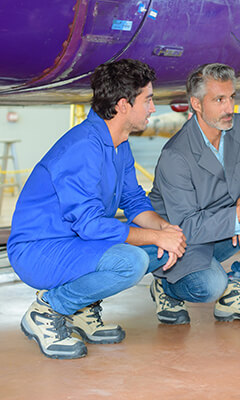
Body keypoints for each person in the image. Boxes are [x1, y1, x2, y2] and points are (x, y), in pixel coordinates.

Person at [7, 59, 187, 359]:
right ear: (123, 105)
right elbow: (90, 225)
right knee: (130, 261)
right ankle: (48, 311)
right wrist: (155, 237)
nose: (153, 108)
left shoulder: (119, 143)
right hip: (39, 249)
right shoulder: (83, 147)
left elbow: (133, 201)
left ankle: (80, 309)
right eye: (148, 100)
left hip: (74, 242)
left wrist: (163, 229)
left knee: (157, 251)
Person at [148, 63, 240, 325]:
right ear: (196, 104)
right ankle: (165, 288)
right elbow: (187, 227)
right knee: (211, 285)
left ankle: (236, 292)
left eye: (232, 98)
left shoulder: (238, 127)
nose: (229, 108)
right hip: (182, 244)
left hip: (225, 229)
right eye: (219, 100)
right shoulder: (175, 156)